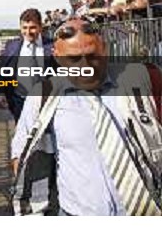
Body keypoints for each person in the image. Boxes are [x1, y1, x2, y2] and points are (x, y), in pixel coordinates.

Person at [11, 18, 162, 216]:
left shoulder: (144, 79)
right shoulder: (42, 96)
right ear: (56, 57)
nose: (86, 65)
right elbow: (24, 159)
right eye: (73, 59)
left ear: (105, 49)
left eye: (93, 56)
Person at [0, 8, 55, 122]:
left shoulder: (53, 46)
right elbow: (2, 71)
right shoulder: (11, 46)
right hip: (19, 102)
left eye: (32, 27)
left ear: (40, 27)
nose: (28, 32)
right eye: (24, 28)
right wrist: (1, 93)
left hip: (46, 103)